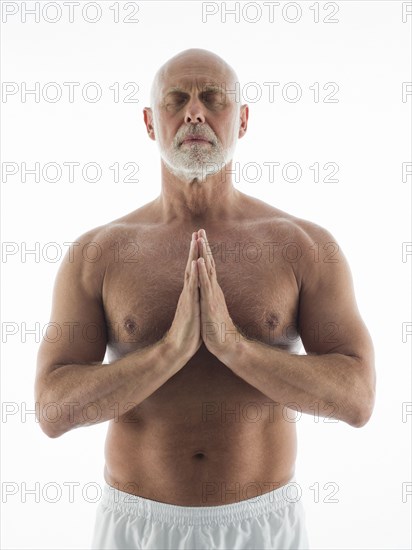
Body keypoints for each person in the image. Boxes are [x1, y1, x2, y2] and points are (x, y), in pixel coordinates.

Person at [35, 48, 376, 550]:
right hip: (138, 525)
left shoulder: (303, 246)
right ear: (151, 123)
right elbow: (51, 410)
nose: (194, 111)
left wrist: (234, 347)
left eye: (211, 98)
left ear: (240, 119)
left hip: (262, 524)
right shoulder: (97, 253)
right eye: (177, 99)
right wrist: (169, 352)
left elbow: (358, 399)